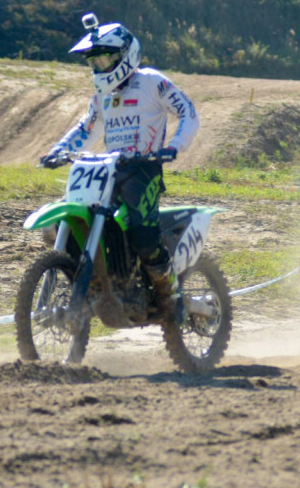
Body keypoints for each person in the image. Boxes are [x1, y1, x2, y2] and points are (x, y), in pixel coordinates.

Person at [39, 16, 200, 318]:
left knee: (142, 234)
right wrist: (58, 150)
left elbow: (188, 112)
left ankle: (170, 292)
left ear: (125, 55)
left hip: (143, 168)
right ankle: (95, 285)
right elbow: (86, 128)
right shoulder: (102, 96)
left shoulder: (152, 82)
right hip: (107, 171)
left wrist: (175, 146)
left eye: (104, 59)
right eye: (93, 62)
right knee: (68, 223)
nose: (98, 67)